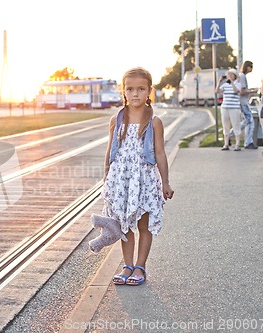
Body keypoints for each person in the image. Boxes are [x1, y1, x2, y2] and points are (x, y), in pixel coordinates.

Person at [101, 67, 174, 286]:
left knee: (144, 225)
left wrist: (165, 183)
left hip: (145, 181)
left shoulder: (154, 122)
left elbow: (160, 153)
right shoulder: (116, 120)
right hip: (122, 180)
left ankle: (140, 266)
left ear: (149, 91)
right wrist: (106, 176)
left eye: (141, 89)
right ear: (123, 91)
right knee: (124, 225)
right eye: (130, 89)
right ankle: (127, 265)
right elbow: (110, 150)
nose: (135, 94)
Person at [216, 69, 242, 151]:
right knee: (225, 126)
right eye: (229, 74)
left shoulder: (238, 84)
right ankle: (226, 144)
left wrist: (232, 82)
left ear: (235, 75)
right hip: (225, 107)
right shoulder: (225, 85)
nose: (230, 76)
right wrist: (219, 82)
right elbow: (217, 91)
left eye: (232, 74)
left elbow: (236, 91)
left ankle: (237, 144)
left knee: (236, 125)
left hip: (234, 108)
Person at [238, 61, 258, 149]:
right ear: (247, 67)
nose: (252, 69)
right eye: (251, 66)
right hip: (243, 103)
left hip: (242, 102)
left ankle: (231, 134)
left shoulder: (242, 76)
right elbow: (242, 92)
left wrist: (250, 89)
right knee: (250, 121)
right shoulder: (242, 76)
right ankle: (248, 142)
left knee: (245, 122)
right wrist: (252, 91)